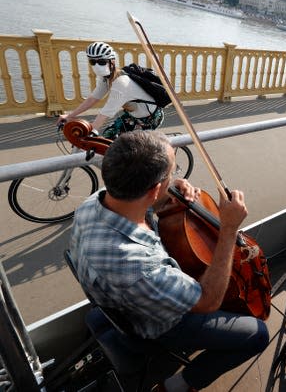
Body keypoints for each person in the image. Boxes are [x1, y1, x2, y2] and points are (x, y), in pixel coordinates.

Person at [68, 130, 269, 392]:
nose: (175, 178)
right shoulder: (140, 266)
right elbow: (208, 301)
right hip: (157, 326)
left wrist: (172, 187)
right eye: (172, 174)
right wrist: (228, 230)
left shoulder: (93, 203)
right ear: (153, 190)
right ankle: (178, 385)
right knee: (257, 335)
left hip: (117, 301)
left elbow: (144, 197)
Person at [57, 41, 163, 139]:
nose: (97, 65)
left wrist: (91, 129)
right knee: (109, 134)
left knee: (128, 148)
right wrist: (70, 116)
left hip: (150, 119)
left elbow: (106, 112)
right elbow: (93, 98)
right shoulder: (106, 78)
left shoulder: (121, 83)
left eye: (102, 62)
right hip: (133, 116)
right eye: (93, 61)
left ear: (112, 61)